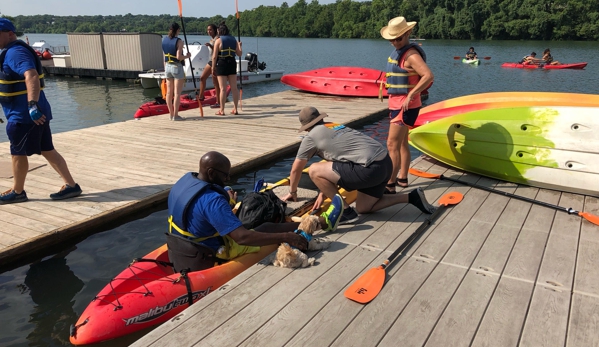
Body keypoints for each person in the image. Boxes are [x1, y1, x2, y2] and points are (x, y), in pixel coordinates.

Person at [166, 151, 344, 271]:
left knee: (260, 225)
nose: (228, 178)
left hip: (183, 242)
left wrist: (228, 205)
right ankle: (319, 223)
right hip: (211, 251)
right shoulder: (213, 200)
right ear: (211, 172)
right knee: (264, 229)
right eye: (225, 175)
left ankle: (315, 223)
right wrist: (284, 237)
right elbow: (243, 238)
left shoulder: (185, 181)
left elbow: (198, 213)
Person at [281, 107, 436, 225]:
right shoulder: (335, 126)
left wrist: (293, 191)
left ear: (306, 127)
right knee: (363, 207)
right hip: (385, 164)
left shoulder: (310, 137)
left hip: (369, 169)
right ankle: (411, 197)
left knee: (314, 169)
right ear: (320, 119)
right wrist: (324, 191)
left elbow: (296, 169)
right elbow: (345, 157)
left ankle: (346, 212)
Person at [0, 18, 82, 205]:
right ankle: (71, 186)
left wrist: (32, 105)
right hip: (34, 113)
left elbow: (31, 76)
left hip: (24, 116)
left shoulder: (15, 53)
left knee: (18, 153)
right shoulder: (12, 51)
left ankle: (18, 191)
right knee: (47, 149)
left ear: (10, 33)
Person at [380, 16, 434, 193]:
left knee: (391, 145)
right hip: (398, 104)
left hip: (405, 106)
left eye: (399, 38)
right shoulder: (400, 51)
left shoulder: (411, 54)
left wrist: (412, 93)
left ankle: (390, 184)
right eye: (392, 39)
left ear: (408, 33)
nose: (395, 42)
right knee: (402, 143)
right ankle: (402, 178)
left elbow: (428, 76)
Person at [162, 22, 191, 121]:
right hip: (176, 66)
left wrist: (165, 67)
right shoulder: (179, 41)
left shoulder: (164, 40)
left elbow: (164, 56)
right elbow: (179, 57)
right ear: (177, 30)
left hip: (167, 66)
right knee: (177, 93)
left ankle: (170, 114)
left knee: (169, 92)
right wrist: (187, 56)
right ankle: (176, 115)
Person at [212, 22, 242, 116]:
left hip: (222, 63)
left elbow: (214, 57)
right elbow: (239, 54)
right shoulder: (234, 40)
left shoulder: (218, 40)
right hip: (232, 63)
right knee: (234, 88)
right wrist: (240, 45)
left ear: (220, 31)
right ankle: (235, 109)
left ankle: (222, 110)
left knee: (223, 89)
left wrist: (213, 68)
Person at [198, 24, 221, 107]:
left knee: (216, 83)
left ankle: (218, 102)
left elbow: (217, 51)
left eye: (210, 30)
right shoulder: (212, 39)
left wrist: (210, 46)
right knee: (202, 78)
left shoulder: (218, 38)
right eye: (208, 30)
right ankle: (201, 96)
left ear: (215, 30)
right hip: (210, 61)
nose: (208, 31)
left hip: (216, 62)